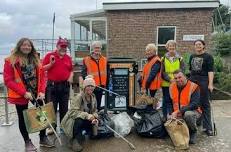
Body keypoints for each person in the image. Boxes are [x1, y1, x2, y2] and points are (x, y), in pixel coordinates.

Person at [3, 38, 54, 151]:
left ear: (32, 47)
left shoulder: (35, 58)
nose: (26, 47)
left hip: (36, 92)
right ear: (19, 46)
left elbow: (43, 75)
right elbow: (8, 80)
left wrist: (41, 91)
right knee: (23, 118)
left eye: (29, 45)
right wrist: (23, 92)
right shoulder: (10, 60)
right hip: (20, 93)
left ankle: (42, 137)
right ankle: (27, 141)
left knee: (42, 114)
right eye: (24, 45)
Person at [42, 37, 73, 134]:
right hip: (52, 87)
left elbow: (71, 70)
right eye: (61, 46)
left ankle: (63, 126)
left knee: (64, 108)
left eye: (65, 46)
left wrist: (71, 76)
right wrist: (51, 64)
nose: (63, 48)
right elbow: (42, 69)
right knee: (51, 108)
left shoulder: (68, 58)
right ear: (57, 46)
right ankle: (52, 127)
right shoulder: (49, 56)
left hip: (65, 86)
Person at [61, 75, 98, 152]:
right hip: (72, 120)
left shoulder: (93, 97)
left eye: (92, 86)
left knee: (95, 127)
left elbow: (94, 110)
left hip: (85, 118)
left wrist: (94, 116)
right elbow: (72, 112)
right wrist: (87, 116)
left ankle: (83, 133)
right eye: (88, 86)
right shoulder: (79, 97)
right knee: (79, 120)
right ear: (84, 87)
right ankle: (74, 140)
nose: (90, 88)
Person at [189, 39, 214, 136]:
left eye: (200, 44)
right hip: (192, 80)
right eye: (196, 44)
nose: (198, 46)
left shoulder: (208, 57)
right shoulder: (192, 56)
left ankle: (208, 127)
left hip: (203, 80)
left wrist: (210, 84)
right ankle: (196, 122)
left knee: (205, 104)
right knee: (194, 102)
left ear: (203, 46)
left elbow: (210, 71)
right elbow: (191, 70)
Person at [169, 70, 201, 144]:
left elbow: (195, 104)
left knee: (188, 115)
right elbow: (168, 102)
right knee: (165, 119)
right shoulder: (172, 86)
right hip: (178, 114)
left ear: (185, 76)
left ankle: (193, 131)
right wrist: (170, 113)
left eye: (180, 77)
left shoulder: (193, 87)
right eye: (175, 78)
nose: (178, 80)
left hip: (193, 112)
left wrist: (178, 111)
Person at [161, 40, 185, 120]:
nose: (171, 48)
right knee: (166, 100)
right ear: (167, 48)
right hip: (166, 83)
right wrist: (170, 79)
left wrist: (176, 79)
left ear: (175, 47)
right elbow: (162, 72)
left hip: (178, 82)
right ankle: (165, 117)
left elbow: (183, 70)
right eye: (169, 46)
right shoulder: (163, 58)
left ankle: (175, 116)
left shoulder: (180, 58)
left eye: (173, 46)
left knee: (175, 100)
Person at [80, 41, 107, 111]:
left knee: (97, 107)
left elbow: (107, 73)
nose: (97, 49)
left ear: (101, 49)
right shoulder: (86, 59)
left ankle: (97, 120)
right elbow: (83, 73)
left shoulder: (104, 59)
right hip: (90, 88)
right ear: (92, 48)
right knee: (90, 107)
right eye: (96, 48)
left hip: (101, 87)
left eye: (99, 48)